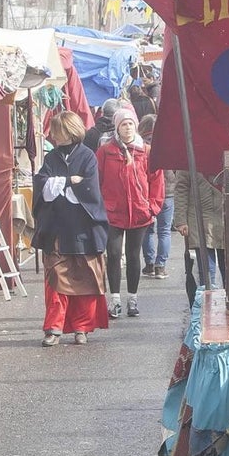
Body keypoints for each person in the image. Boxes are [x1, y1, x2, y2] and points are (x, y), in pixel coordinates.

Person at [33, 111, 111, 346]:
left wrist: (60, 186)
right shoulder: (51, 158)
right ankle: (54, 327)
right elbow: (43, 186)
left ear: (69, 131)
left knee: (85, 279)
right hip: (57, 230)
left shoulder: (88, 156)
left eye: (57, 131)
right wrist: (68, 181)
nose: (53, 136)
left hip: (84, 230)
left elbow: (88, 191)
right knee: (56, 279)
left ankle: (82, 327)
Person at [96, 105, 164, 319]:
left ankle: (132, 299)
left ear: (135, 126)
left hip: (139, 212)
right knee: (114, 255)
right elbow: (97, 179)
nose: (127, 128)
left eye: (130, 124)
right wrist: (100, 207)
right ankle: (115, 299)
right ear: (117, 127)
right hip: (113, 213)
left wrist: (152, 207)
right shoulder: (106, 151)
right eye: (123, 124)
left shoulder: (146, 151)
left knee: (134, 256)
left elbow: (156, 181)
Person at [172, 168, 226, 305]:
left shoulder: (227, 152)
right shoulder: (187, 156)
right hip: (199, 220)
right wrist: (181, 221)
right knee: (207, 275)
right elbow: (181, 189)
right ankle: (208, 310)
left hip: (226, 217)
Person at [139, 115, 173, 280]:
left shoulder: (140, 146)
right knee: (164, 231)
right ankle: (161, 266)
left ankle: (149, 264)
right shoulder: (166, 143)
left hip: (146, 192)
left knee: (148, 230)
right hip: (168, 191)